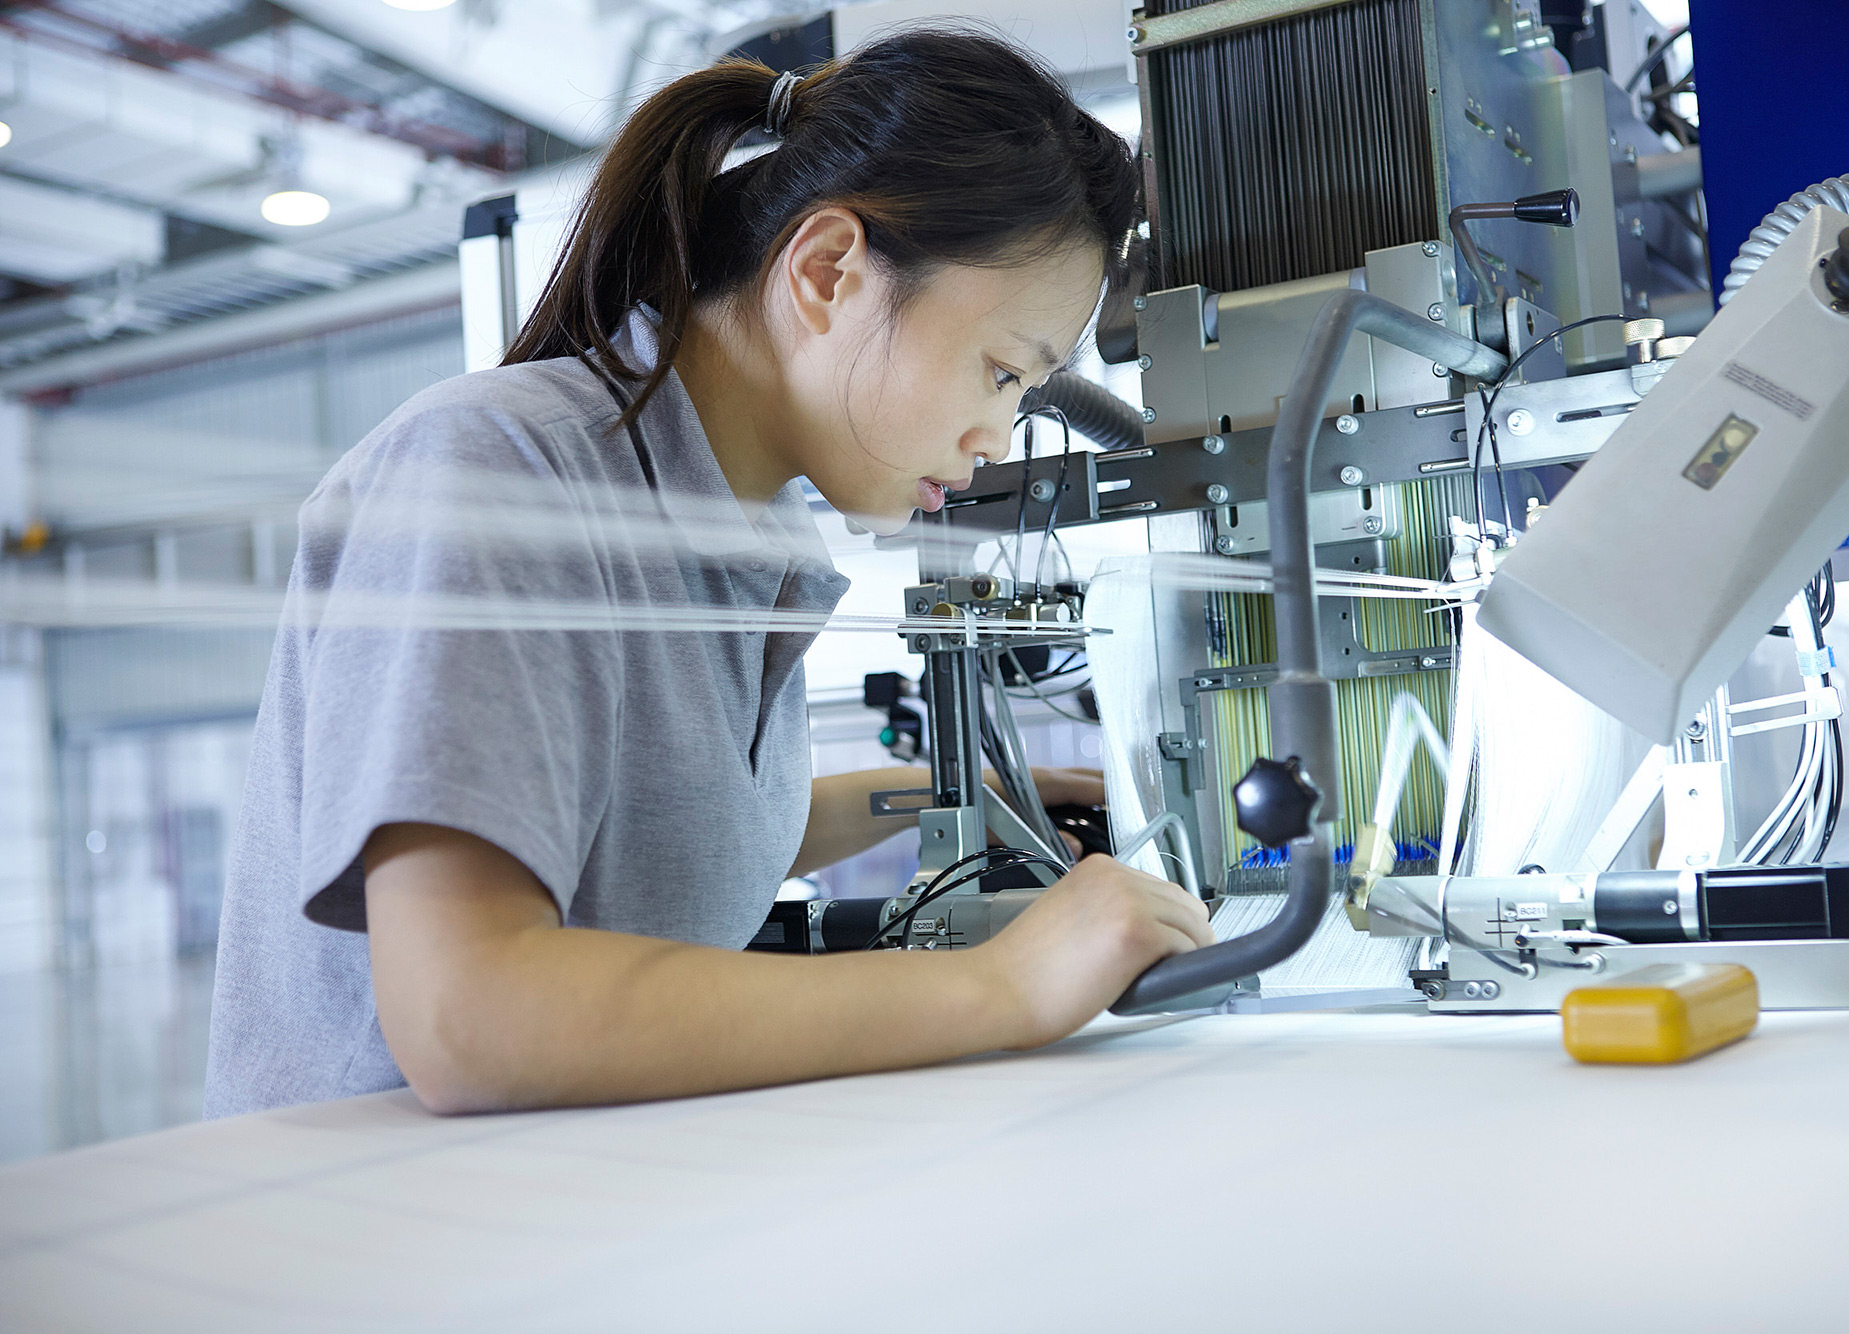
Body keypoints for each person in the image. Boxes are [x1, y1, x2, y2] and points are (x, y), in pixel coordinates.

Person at [204, 29, 1214, 1118]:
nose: (998, 434)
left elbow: (684, 817)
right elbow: (469, 1012)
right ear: (826, 271)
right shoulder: (496, 467)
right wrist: (999, 984)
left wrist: (972, 795)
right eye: (1004, 371)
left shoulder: (743, 535)